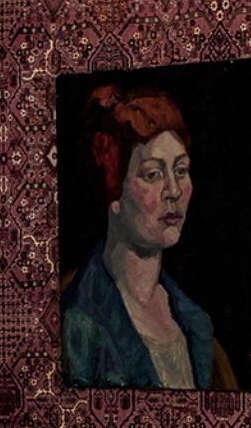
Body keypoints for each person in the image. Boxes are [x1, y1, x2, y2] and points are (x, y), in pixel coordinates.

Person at [61, 82, 238, 389]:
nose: (173, 190)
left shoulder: (195, 326)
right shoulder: (75, 316)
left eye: (181, 170)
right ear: (113, 187)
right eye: (153, 174)